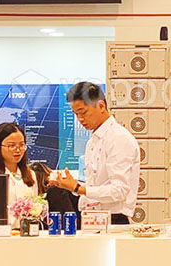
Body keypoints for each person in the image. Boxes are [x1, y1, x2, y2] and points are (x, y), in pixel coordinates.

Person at [53, 82, 140, 225]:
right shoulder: (92, 141)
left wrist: (78, 188)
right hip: (93, 217)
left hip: (113, 218)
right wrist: (69, 185)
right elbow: (95, 185)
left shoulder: (119, 138)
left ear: (101, 106)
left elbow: (119, 190)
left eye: (83, 112)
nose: (80, 119)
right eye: (76, 114)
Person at [0, 122, 42, 225]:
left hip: (25, 231)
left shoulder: (31, 174)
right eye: (11, 146)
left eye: (21, 145)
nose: (18, 150)